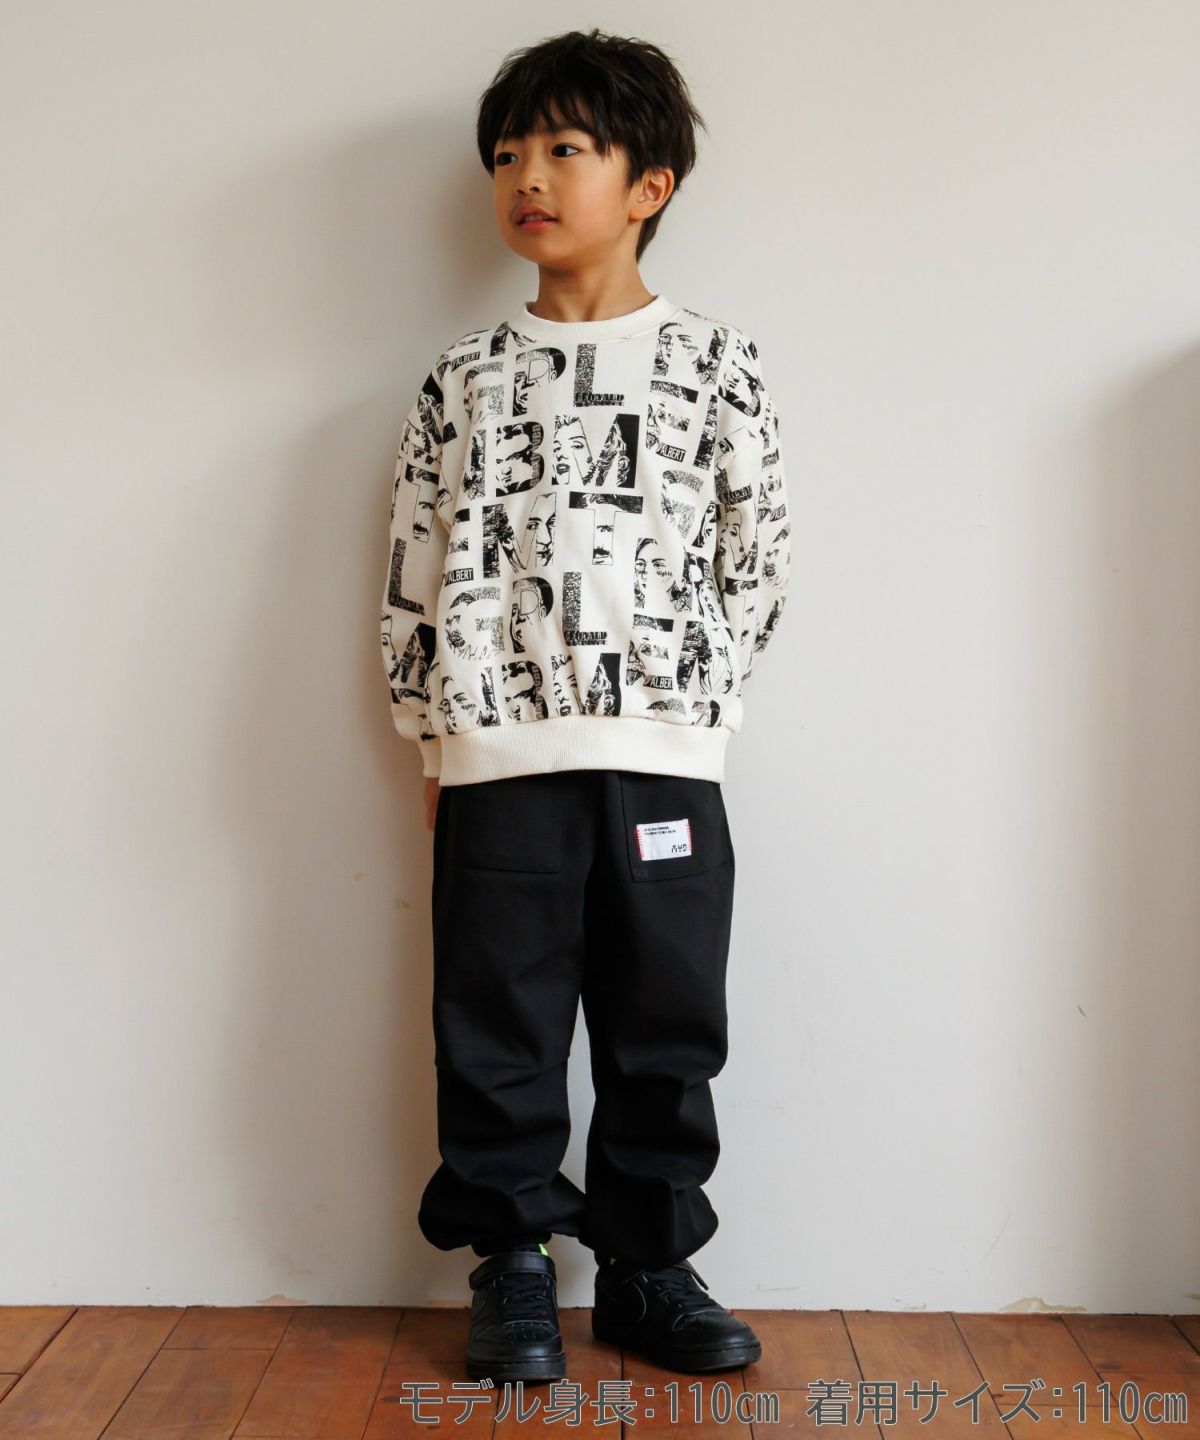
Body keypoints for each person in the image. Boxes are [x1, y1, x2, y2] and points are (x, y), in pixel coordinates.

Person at [379, 26, 791, 1385]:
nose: (528, 178)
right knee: (495, 1018)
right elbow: (415, 568)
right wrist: (434, 735)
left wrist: (695, 712)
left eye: (565, 147)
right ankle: (510, 1263)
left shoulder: (716, 365)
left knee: (666, 1019)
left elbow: (757, 558)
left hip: (667, 755)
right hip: (495, 757)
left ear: (649, 183)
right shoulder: (462, 378)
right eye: (507, 155)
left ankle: (647, 1268)